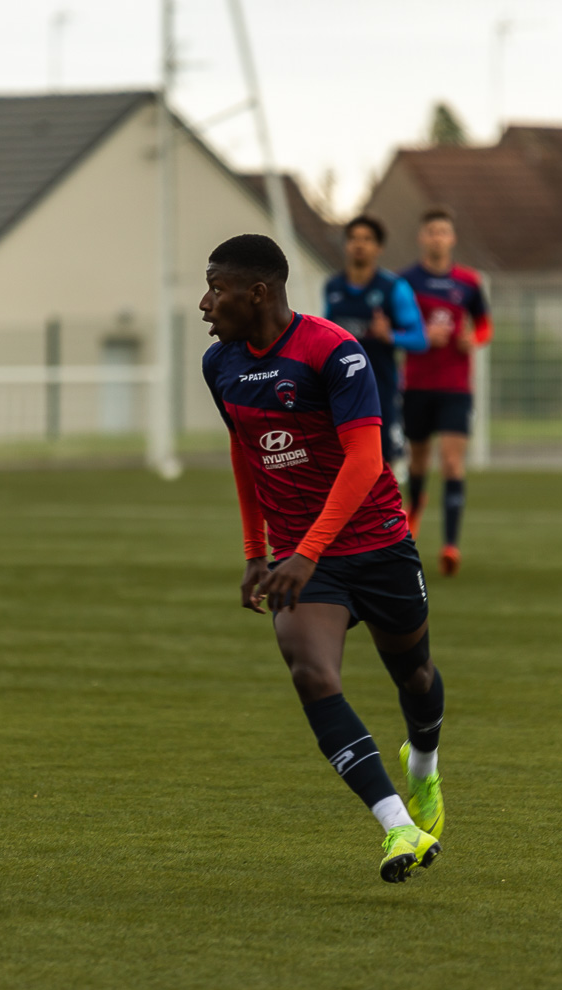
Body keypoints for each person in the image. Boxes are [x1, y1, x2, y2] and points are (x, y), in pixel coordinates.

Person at [201, 233, 446, 884]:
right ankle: (398, 825)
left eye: (216, 289)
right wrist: (257, 552)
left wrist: (306, 552)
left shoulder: (334, 351)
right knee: (312, 674)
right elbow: (244, 451)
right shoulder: (219, 364)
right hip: (300, 561)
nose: (205, 303)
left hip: (378, 543)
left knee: (415, 676)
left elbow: (366, 461)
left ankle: (423, 765)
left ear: (258, 293)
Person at [399, 208, 492, 577]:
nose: (437, 237)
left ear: (452, 238)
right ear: (422, 237)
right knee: (418, 462)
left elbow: (484, 324)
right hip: (416, 385)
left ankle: (451, 546)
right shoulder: (405, 282)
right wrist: (421, 336)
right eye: (431, 231)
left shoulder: (468, 282)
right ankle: (415, 511)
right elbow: (394, 327)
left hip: (455, 387)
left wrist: (475, 339)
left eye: (443, 231)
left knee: (453, 462)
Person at [322, 215, 427, 466]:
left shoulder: (393, 288)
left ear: (379, 247)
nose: (359, 244)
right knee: (339, 460)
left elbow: (420, 339)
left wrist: (389, 336)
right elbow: (325, 334)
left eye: (367, 239)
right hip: (339, 388)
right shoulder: (333, 287)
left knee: (380, 462)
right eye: (353, 238)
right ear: (346, 245)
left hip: (379, 389)